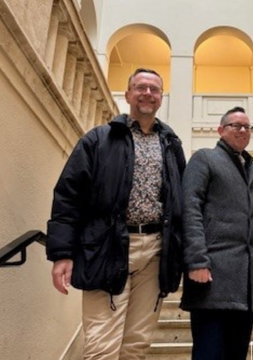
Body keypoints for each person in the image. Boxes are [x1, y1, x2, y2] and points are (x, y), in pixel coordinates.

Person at [46, 68, 186, 359]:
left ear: (161, 98)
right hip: (107, 249)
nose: (148, 93)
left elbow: (180, 202)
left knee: (137, 345)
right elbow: (69, 196)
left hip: (156, 252)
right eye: (141, 87)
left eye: (154, 89)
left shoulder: (171, 145)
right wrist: (62, 253)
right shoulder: (99, 140)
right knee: (102, 345)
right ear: (128, 94)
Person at [180, 106, 253, 360]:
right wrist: (196, 260)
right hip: (212, 279)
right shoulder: (205, 158)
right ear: (220, 130)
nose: (242, 130)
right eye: (235, 125)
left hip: (246, 286)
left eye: (247, 127)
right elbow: (190, 208)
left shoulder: (252, 174)